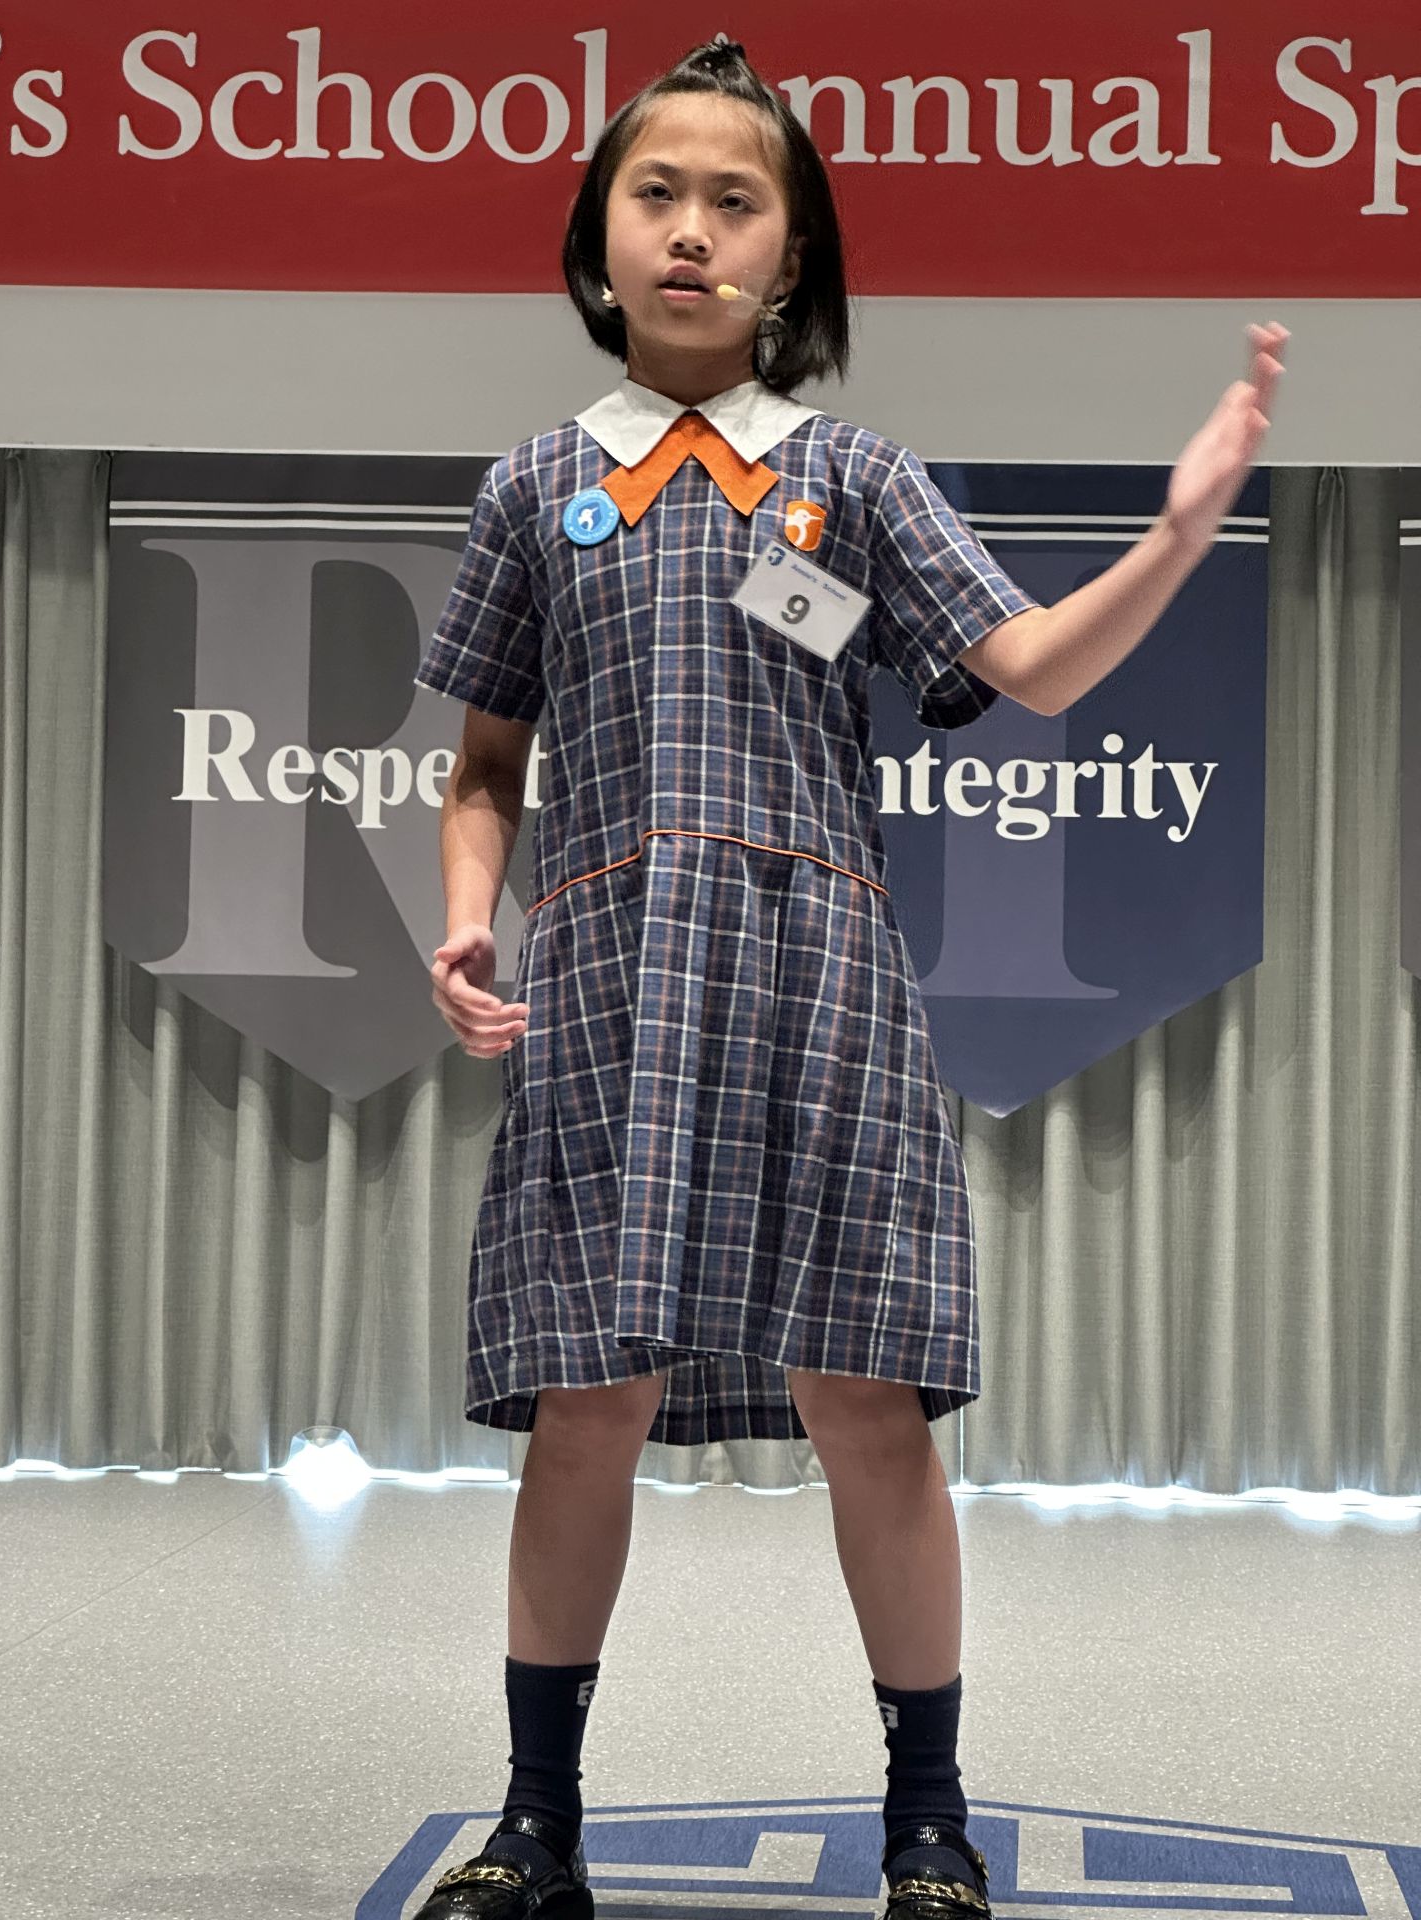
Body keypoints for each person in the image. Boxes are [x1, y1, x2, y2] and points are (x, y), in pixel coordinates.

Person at [413, 32, 1287, 1920]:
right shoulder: (533, 487)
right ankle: (538, 1825)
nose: (692, 231)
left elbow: (1031, 669)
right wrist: (471, 912)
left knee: (865, 1397)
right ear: (599, 235)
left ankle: (928, 1827)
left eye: (736, 202)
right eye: (657, 194)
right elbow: (484, 766)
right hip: (612, 984)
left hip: (826, 983)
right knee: (588, 1400)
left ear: (789, 256)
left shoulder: (856, 478)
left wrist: (1178, 531)